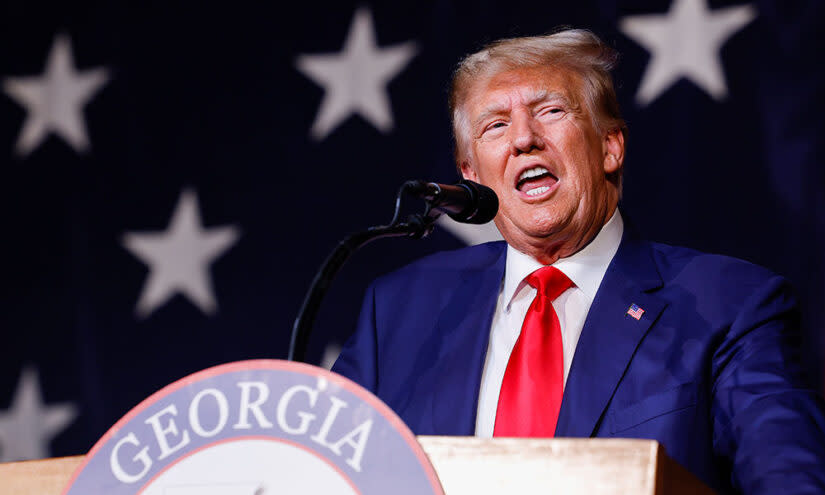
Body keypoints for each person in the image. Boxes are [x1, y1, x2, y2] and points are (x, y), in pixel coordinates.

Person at [332, 29, 825, 493]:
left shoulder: (728, 304)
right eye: (496, 125)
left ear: (610, 147)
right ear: (470, 173)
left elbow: (788, 478)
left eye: (550, 111)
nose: (524, 138)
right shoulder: (398, 311)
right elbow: (324, 474)